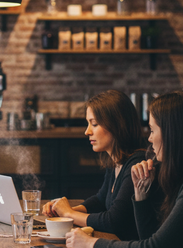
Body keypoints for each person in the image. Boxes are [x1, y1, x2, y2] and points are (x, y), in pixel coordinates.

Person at [65, 90, 183, 248]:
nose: (149, 138)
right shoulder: (174, 180)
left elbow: (153, 245)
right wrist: (141, 196)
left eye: (153, 130)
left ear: (171, 134)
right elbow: (148, 237)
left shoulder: (138, 161)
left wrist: (91, 243)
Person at [43, 90, 146, 240]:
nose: (87, 131)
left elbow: (113, 221)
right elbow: (100, 199)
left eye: (94, 124)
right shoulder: (116, 161)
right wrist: (64, 209)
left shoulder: (136, 164)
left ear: (117, 125)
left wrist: (69, 214)